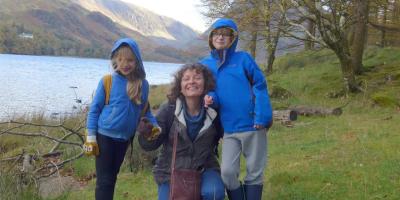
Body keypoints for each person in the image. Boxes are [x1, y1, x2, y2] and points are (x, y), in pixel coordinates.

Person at [201, 18, 273, 200]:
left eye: (226, 34)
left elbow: (260, 85)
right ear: (211, 37)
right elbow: (212, 92)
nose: (221, 37)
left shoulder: (244, 59)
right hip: (229, 130)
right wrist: (211, 98)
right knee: (227, 172)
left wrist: (262, 116)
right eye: (217, 33)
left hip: (253, 126)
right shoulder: (206, 64)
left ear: (233, 39)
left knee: (254, 172)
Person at [84, 38, 158, 200]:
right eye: (120, 59)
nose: (125, 63)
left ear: (137, 61)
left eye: (130, 60)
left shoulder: (143, 85)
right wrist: (91, 137)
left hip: (124, 139)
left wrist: (155, 126)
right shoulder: (107, 81)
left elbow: (145, 111)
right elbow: (94, 109)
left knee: (112, 178)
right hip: (104, 137)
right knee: (104, 180)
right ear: (115, 60)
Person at [137, 63, 225, 200]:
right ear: (180, 87)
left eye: (197, 78)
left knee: (213, 193)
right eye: (186, 79)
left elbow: (227, 133)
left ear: (205, 84)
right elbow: (150, 144)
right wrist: (147, 133)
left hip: (205, 168)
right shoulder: (169, 109)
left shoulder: (214, 111)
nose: (191, 81)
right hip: (170, 171)